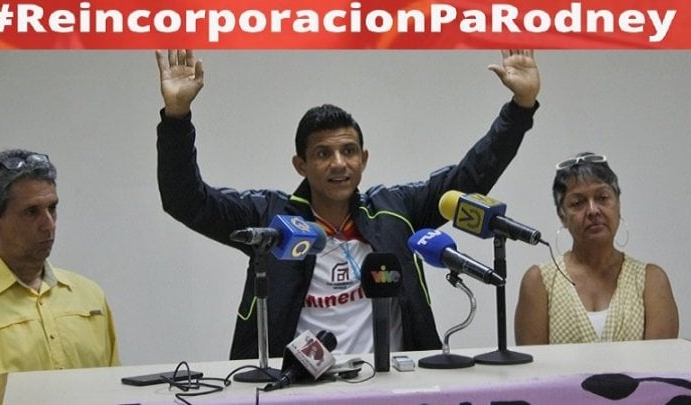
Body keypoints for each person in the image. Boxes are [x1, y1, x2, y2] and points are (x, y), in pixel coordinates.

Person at [155, 49, 541, 360]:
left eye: (349, 151)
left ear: (363, 159)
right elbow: (186, 200)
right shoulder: (269, 219)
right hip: (299, 391)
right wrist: (176, 118)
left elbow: (469, 177)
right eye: (323, 153)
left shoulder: (395, 210)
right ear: (301, 165)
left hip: (393, 387)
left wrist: (520, 107)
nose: (339, 164)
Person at [0, 150, 119, 403]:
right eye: (31, 212)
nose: (48, 224)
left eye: (52, 208)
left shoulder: (89, 296)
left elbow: (115, 392)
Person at [514, 152, 679, 345]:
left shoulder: (651, 282)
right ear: (562, 215)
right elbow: (534, 364)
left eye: (602, 197)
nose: (593, 210)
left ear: (618, 205)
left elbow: (660, 362)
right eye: (578, 203)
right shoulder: (539, 282)